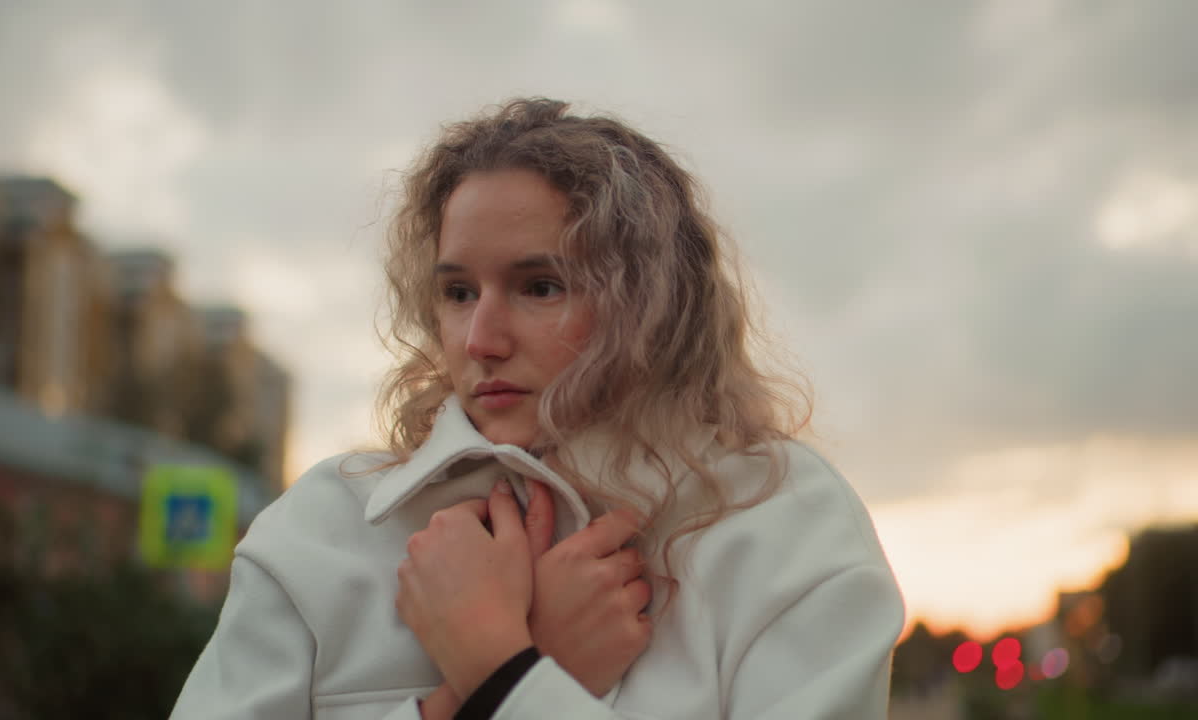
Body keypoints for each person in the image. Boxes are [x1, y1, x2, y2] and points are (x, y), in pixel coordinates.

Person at [170, 98, 904, 720]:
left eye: (540, 286)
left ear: (651, 304)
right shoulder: (321, 532)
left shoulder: (785, 528)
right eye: (459, 293)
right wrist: (477, 691)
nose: (481, 340)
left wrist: (505, 672)